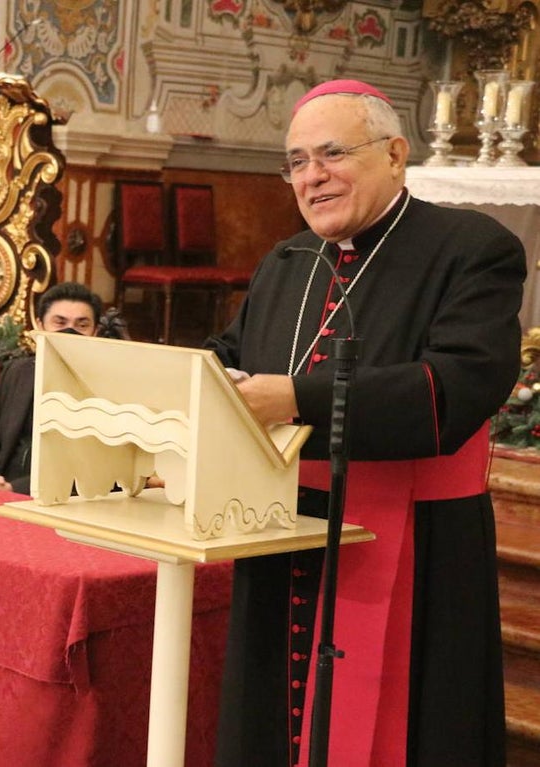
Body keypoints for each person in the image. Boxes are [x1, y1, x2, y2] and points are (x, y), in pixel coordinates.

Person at [206, 79, 525, 767]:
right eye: (296, 161)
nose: (312, 176)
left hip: (417, 548)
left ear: (395, 153)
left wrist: (295, 398)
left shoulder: (472, 249)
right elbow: (228, 358)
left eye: (332, 153)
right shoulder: (286, 260)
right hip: (282, 529)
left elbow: (456, 388)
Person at [0, 281, 103, 494]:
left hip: (61, 504)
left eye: (82, 325)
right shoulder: (18, 372)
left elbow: (94, 468)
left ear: (95, 331)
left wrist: (13, 489)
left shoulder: (104, 385)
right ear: (40, 326)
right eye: (59, 322)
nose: (70, 332)